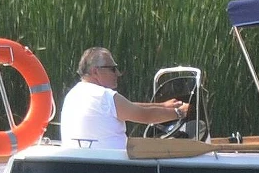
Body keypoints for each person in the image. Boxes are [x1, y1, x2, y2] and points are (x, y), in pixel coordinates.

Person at [60, 47, 189, 149]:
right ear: (95, 72)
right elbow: (145, 116)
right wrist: (181, 112)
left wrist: (163, 106)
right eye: (112, 69)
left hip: (89, 164)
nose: (118, 73)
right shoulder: (104, 96)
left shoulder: (75, 94)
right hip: (112, 167)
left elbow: (128, 106)